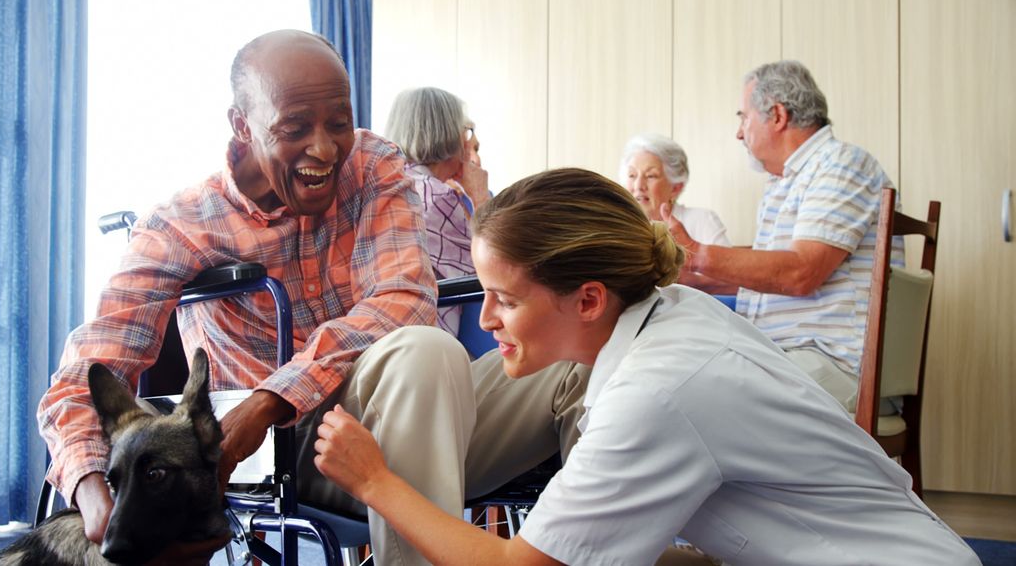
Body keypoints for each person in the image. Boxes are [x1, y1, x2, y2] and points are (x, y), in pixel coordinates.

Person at [312, 168, 979, 566]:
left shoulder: (655, 395)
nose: (483, 320)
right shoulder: (676, 311)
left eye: (505, 299)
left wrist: (374, 480)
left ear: (589, 299)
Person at [37, 30, 477, 566]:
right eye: (295, 128)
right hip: (288, 447)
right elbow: (87, 371)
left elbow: (404, 300)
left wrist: (269, 400)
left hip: (396, 406)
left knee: (574, 368)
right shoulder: (181, 225)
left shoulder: (374, 165)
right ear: (242, 127)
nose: (325, 148)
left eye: (339, 122)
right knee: (426, 353)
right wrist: (92, 493)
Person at [666, 60, 903, 412]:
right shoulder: (785, 181)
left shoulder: (840, 163)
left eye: (743, 117)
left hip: (839, 366)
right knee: (669, 373)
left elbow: (800, 273)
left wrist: (698, 253)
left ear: (776, 116)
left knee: (687, 392)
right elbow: (775, 282)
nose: (739, 133)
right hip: (794, 357)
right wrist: (694, 277)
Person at [383, 87, 491, 335]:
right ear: (445, 132)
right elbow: (497, 265)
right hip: (436, 341)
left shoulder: (397, 183)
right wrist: (481, 197)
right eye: (464, 132)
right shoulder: (436, 196)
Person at [621, 132, 731, 246]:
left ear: (676, 188)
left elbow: (728, 263)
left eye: (650, 176)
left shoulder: (702, 221)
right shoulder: (617, 227)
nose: (638, 186)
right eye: (632, 175)